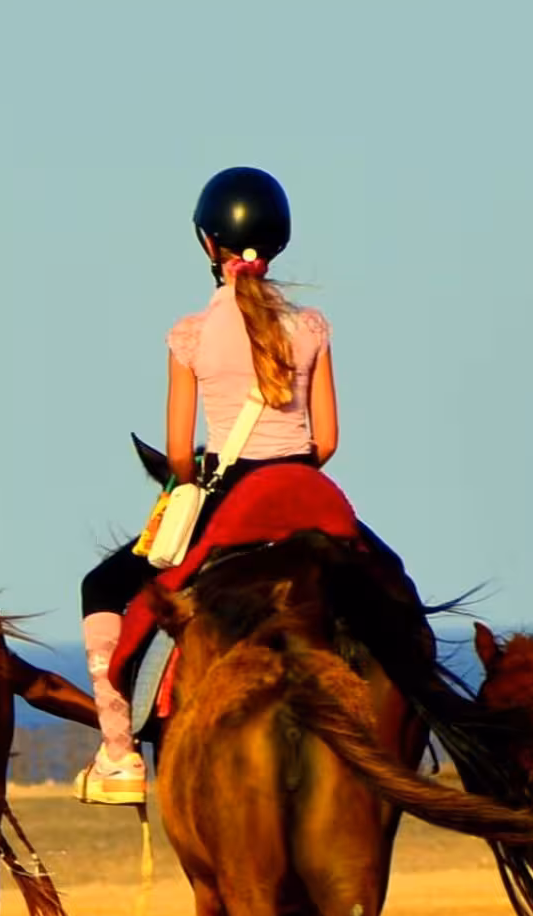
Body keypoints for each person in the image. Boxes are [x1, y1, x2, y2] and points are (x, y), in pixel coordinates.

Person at [72, 166, 338, 806]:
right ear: (278, 241)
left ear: (208, 242)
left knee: (105, 587)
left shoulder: (191, 335)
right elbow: (326, 442)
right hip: (306, 492)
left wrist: (191, 480)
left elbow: (178, 457)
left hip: (233, 493)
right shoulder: (311, 328)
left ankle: (119, 752)